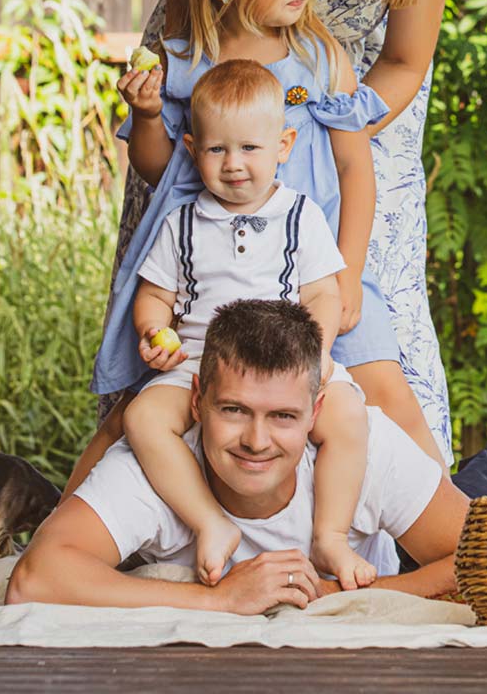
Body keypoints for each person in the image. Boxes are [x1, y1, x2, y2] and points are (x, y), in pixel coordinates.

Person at [69, 0, 459, 495]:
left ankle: (414, 519)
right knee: (188, 320)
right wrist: (212, 124)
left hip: (346, 112)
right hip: (212, 102)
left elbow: (403, 63)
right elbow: (189, 15)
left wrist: (315, 127)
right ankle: (159, 508)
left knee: (364, 336)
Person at [12, 299, 470, 614]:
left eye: (283, 416)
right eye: (234, 410)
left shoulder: (365, 448)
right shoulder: (156, 463)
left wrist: (331, 594)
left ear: (315, 413)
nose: (256, 440)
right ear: (197, 401)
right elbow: (35, 577)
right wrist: (221, 600)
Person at [121, 59, 377, 589]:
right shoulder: (182, 223)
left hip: (285, 367)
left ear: (283, 146)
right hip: (200, 364)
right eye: (217, 149)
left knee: (350, 416)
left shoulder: (300, 216)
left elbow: (323, 294)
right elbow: (155, 296)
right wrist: (153, 332)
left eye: (250, 148)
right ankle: (208, 522)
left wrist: (317, 355)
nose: (234, 164)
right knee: (143, 417)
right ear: (192, 149)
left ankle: (330, 535)